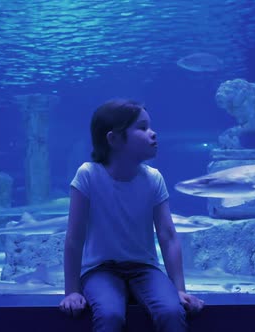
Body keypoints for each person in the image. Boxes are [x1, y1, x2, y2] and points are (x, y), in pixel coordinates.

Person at [59, 99, 204, 332]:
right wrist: (72, 291)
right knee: (109, 315)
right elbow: (74, 238)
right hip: (99, 269)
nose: (153, 134)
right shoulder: (87, 175)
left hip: (144, 268)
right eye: (143, 127)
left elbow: (168, 236)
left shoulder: (154, 178)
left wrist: (179, 289)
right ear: (114, 139)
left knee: (171, 311)